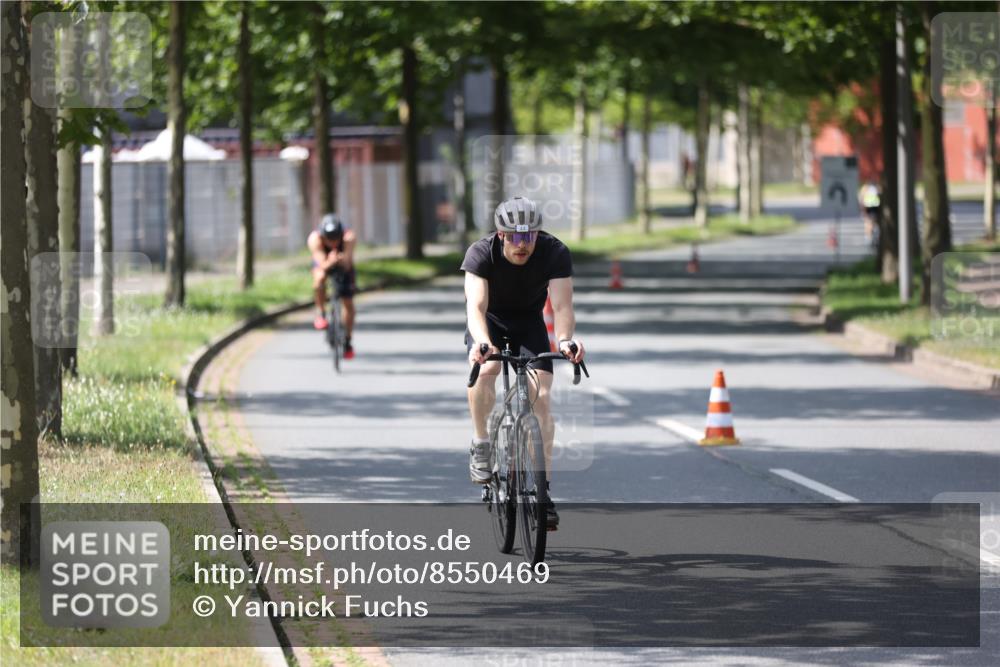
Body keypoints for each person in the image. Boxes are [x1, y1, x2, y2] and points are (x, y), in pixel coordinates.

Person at [461, 196, 586, 530]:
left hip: (529, 322)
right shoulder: (480, 253)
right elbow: (475, 305)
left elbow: (562, 307)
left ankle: (542, 494)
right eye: (514, 237)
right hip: (490, 322)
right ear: (501, 235)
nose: (522, 244)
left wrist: (564, 340)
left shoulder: (554, 252)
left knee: (541, 398)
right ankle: (482, 443)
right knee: (486, 371)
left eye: (528, 236)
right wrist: (482, 342)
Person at [307, 213, 357, 359]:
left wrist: (341, 260)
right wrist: (330, 261)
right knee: (319, 278)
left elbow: (348, 263)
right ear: (323, 236)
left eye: (336, 238)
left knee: (348, 303)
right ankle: (321, 313)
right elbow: (321, 264)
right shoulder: (314, 239)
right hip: (324, 262)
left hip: (343, 265)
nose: (333, 243)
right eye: (329, 239)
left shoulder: (349, 237)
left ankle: (347, 341)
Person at [859, 181, 881, 247]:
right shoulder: (866, 187)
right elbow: (862, 198)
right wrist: (863, 209)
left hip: (875, 207)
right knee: (869, 223)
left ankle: (874, 238)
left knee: (873, 223)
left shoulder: (876, 186)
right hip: (869, 207)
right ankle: (869, 239)